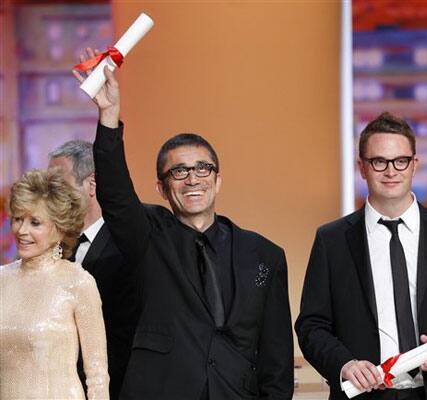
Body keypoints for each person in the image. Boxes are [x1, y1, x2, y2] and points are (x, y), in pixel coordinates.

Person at [73, 50, 293, 400]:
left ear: (218, 180)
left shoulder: (264, 254)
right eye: (179, 171)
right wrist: (109, 116)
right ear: (162, 188)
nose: (192, 179)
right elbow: (115, 193)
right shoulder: (148, 236)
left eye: (202, 169)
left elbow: (276, 355)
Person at [295, 112, 427, 400]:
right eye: (379, 161)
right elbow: (311, 326)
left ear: (414, 165)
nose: (391, 171)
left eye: (400, 161)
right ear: (362, 167)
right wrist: (344, 365)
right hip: (364, 394)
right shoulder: (332, 240)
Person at [0, 168, 109, 399]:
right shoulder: (2, 279)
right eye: (18, 219)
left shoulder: (78, 282)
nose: (22, 230)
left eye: (35, 222)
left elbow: (97, 375)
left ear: (59, 228)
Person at [49, 140, 139, 399]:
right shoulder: (52, 245)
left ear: (92, 184)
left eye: (58, 186)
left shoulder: (127, 245)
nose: (49, 196)